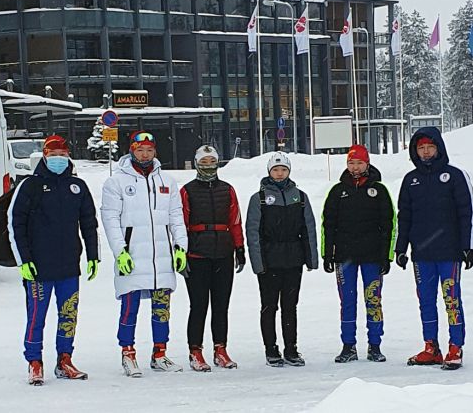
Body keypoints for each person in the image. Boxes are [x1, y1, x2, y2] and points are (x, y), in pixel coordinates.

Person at [8, 135, 99, 386]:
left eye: (62, 155)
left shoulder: (77, 186)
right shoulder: (30, 186)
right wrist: (23, 260)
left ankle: (65, 359)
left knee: (68, 314)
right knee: (36, 317)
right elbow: (16, 224)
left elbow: (89, 223)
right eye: (53, 155)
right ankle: (34, 361)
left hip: (69, 265)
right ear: (44, 157)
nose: (58, 159)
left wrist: (93, 255)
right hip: (39, 267)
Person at [101, 131, 189, 377]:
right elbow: (110, 220)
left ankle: (159, 353)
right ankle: (127, 353)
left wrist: (180, 246)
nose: (145, 154)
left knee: (162, 307)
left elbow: (176, 217)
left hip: (161, 256)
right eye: (140, 149)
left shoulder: (167, 182)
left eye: (149, 150)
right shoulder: (116, 182)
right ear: (131, 150)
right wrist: (120, 251)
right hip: (132, 256)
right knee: (130, 307)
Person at [394, 127, 473, 371]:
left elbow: (467, 212)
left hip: (449, 251)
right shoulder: (411, 179)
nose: (426, 152)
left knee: (451, 299)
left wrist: (469, 246)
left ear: (439, 148)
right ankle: (431, 346)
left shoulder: (454, 175)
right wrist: (401, 248)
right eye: (421, 148)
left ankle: (456, 346)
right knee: (426, 300)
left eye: (430, 147)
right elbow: (404, 216)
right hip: (421, 252)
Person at [321, 144, 395, 364]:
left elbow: (389, 224)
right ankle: (348, 345)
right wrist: (327, 254)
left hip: (372, 255)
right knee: (348, 301)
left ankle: (375, 345)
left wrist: (386, 256)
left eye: (359, 163)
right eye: (351, 163)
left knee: (373, 300)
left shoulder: (379, 190)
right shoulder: (337, 191)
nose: (355, 167)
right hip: (345, 256)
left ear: (367, 164)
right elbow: (328, 224)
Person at [245, 152, 318, 367]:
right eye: (275, 170)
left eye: (283, 169)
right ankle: (271, 348)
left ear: (289, 171)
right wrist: (258, 263)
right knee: (269, 307)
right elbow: (253, 232)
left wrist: (311, 258)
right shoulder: (258, 198)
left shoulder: (300, 197)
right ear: (269, 172)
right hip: (269, 262)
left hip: (293, 261)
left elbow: (309, 229)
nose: (279, 173)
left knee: (290, 307)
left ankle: (291, 348)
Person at [180, 145, 246, 372]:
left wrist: (239, 247)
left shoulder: (227, 190)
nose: (208, 166)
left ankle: (221, 348)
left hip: (223, 253)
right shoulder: (187, 190)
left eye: (212, 161)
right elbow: (181, 224)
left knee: (221, 305)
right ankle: (195, 350)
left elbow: (235, 219)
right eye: (204, 162)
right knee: (198, 305)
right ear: (197, 163)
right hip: (197, 254)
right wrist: (181, 252)